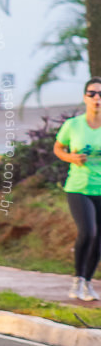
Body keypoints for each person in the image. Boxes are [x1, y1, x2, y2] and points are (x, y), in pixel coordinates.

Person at [54, 77, 101, 301]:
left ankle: (88, 283)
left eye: (100, 94)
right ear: (85, 97)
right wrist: (70, 157)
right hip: (79, 188)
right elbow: (58, 147)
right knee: (88, 232)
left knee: (99, 239)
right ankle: (77, 279)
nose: (97, 98)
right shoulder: (73, 125)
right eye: (92, 94)